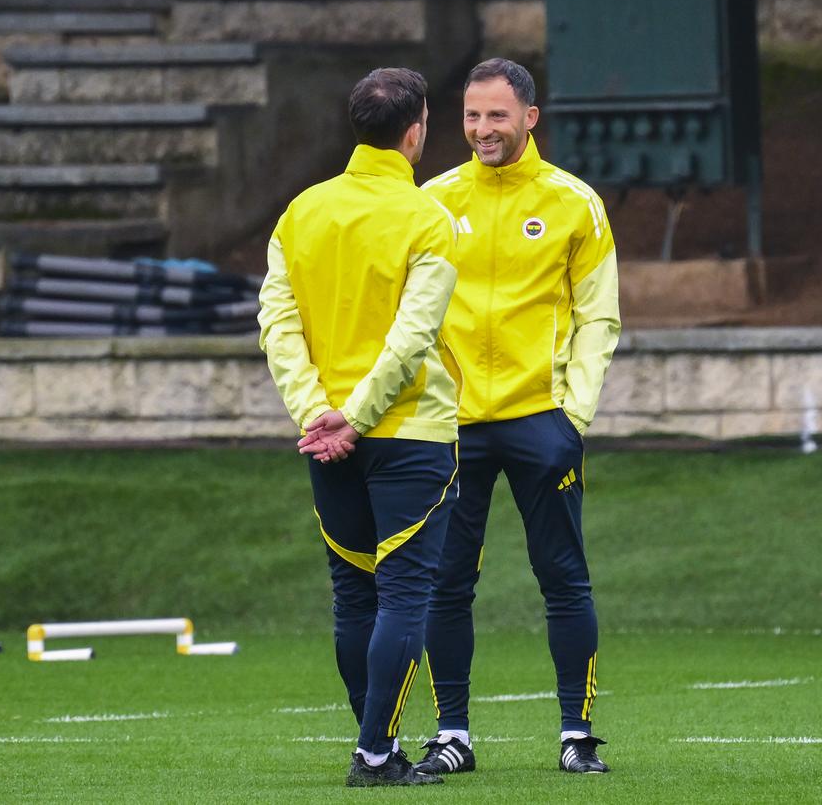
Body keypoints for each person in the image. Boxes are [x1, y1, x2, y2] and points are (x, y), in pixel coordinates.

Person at [414, 58, 621, 775]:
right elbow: (411, 311)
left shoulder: (574, 202)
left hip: (543, 420)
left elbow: (599, 314)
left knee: (564, 578)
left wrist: (576, 415)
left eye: (497, 116)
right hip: (454, 426)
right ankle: (452, 736)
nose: (482, 130)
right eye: (472, 116)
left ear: (530, 118)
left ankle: (576, 734)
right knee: (446, 581)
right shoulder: (433, 200)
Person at [258, 67, 462, 788]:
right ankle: (376, 755)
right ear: (415, 133)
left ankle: (379, 745)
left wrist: (317, 410)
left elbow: (278, 325)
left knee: (354, 596)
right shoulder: (426, 217)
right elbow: (413, 337)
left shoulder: (300, 213)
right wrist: (359, 413)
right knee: (404, 596)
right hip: (407, 431)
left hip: (327, 437)